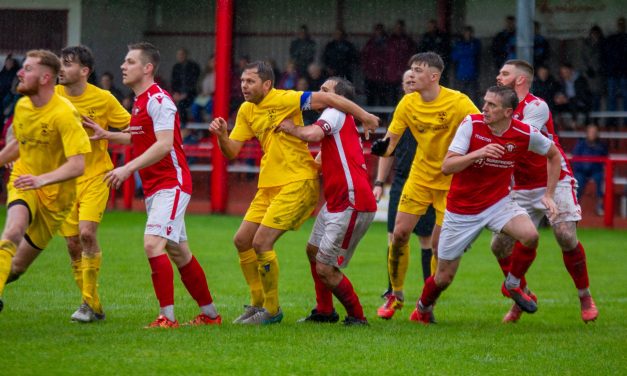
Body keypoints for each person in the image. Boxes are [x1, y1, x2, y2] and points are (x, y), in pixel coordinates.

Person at [208, 61, 379, 325]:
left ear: (267, 84)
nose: (244, 85)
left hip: (297, 182)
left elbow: (328, 105)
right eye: (242, 81)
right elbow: (232, 151)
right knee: (242, 240)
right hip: (269, 185)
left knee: (262, 243)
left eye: (250, 81)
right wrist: (221, 135)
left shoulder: (289, 99)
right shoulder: (246, 110)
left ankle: (272, 311)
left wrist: (365, 116)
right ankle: (258, 304)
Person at [410, 86, 562, 325]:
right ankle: (423, 308)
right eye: (485, 102)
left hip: (498, 202)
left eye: (492, 105)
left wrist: (549, 194)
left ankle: (512, 283)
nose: (485, 108)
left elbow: (554, 155)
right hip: (462, 209)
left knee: (531, 236)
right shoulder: (472, 124)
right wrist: (478, 153)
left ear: (508, 112)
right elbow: (447, 167)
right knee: (443, 278)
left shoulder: (524, 133)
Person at [95, 42, 220, 328]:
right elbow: (138, 137)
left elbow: (164, 145)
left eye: (130, 62)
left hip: (171, 183)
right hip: (156, 187)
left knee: (153, 245)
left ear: (147, 68)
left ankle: (167, 318)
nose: (123, 67)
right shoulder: (140, 100)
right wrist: (108, 134)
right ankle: (211, 316)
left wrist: (127, 168)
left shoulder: (159, 100)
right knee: (179, 252)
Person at [5, 46, 131, 323]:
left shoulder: (104, 99)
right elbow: (27, 133)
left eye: (69, 64)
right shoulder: (51, 97)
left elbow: (137, 133)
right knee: (73, 244)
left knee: (87, 234)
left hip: (96, 176)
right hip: (63, 182)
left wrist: (106, 133)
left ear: (85, 71)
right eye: (60, 63)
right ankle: (94, 305)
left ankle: (87, 304)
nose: (62, 69)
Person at [370, 52, 480, 320]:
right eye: (411, 69)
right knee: (399, 235)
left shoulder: (459, 102)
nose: (412, 74)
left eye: (418, 70)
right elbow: (391, 140)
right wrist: (382, 148)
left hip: (451, 182)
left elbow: (481, 130)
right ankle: (395, 295)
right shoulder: (407, 103)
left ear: (434, 76)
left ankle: (426, 304)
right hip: (418, 178)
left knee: (438, 246)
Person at [493, 59, 599, 323]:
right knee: (499, 245)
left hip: (555, 179)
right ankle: (522, 294)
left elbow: (519, 139)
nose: (498, 77)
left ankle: (584, 295)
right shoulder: (498, 110)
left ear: (520, 80)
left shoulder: (536, 106)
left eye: (504, 74)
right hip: (522, 185)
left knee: (565, 235)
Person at [275, 77, 376, 325]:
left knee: (325, 268)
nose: (319, 93)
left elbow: (312, 133)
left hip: (351, 202)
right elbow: (320, 159)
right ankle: (324, 311)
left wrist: (291, 128)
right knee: (313, 252)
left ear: (339, 99)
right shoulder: (342, 121)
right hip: (337, 202)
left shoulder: (334, 111)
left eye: (325, 90)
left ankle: (357, 316)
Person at [0, 49, 91, 313]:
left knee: (16, 268)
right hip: (24, 180)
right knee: (13, 230)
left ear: (45, 78)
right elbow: (17, 145)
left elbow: (77, 165)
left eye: (27, 68)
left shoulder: (64, 114)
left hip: (57, 199)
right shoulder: (23, 106)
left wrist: (42, 180)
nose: (19, 72)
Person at [373, 70, 436, 320]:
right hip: (402, 180)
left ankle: (427, 297)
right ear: (402, 85)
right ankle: (393, 292)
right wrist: (379, 182)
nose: (411, 81)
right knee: (394, 236)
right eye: (407, 79)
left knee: (426, 239)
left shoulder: (436, 109)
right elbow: (387, 149)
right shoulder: (401, 111)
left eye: (414, 78)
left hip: (430, 180)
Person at [572, 123, 608, 216]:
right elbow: (575, 160)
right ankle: (575, 207)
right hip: (582, 172)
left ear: (597, 134)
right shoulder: (580, 145)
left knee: (601, 180)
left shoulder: (601, 146)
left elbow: (606, 161)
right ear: (587, 133)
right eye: (591, 132)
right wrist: (582, 167)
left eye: (594, 132)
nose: (592, 134)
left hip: (596, 171)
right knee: (577, 181)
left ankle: (600, 206)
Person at [553, 63, 593, 128]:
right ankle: (555, 124)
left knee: (572, 101)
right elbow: (560, 91)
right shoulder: (562, 81)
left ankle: (574, 122)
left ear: (571, 71)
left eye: (565, 72)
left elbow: (582, 95)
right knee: (553, 102)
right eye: (562, 73)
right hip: (568, 103)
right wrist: (559, 97)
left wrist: (567, 99)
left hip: (580, 103)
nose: (563, 74)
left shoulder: (580, 80)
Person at [451, 25, 482, 104]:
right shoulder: (459, 43)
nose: (467, 34)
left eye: (468, 32)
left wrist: (462, 52)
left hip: (472, 73)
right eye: (465, 32)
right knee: (460, 95)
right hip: (461, 74)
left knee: (473, 96)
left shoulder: (475, 43)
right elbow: (454, 56)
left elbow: (474, 53)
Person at [170, 48, 201, 125]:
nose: (180, 56)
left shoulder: (193, 66)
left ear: (186, 55)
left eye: (182, 54)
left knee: (182, 104)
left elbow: (194, 82)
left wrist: (186, 93)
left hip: (191, 94)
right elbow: (174, 82)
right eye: (179, 55)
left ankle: (184, 125)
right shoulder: (176, 67)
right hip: (178, 94)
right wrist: (176, 93)